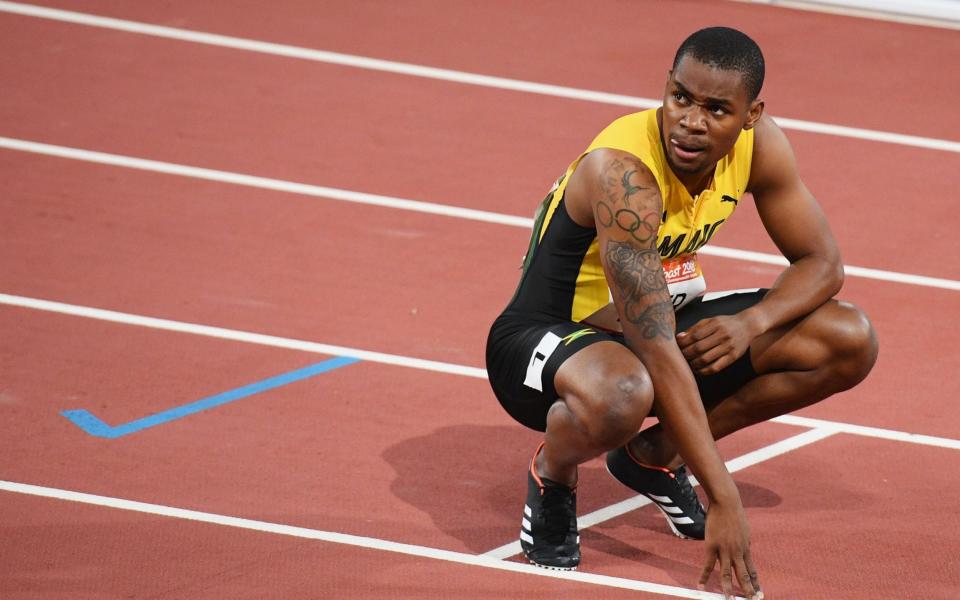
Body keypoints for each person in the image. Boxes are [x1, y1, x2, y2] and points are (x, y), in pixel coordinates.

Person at [485, 26, 878, 599]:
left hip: (651, 328)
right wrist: (724, 493)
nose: (692, 121)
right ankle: (554, 474)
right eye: (681, 99)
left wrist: (750, 324)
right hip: (544, 337)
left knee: (846, 337)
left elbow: (822, 264)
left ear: (751, 114)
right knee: (624, 391)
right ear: (666, 89)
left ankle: (655, 457)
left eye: (717, 109)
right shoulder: (624, 173)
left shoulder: (761, 144)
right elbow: (653, 344)